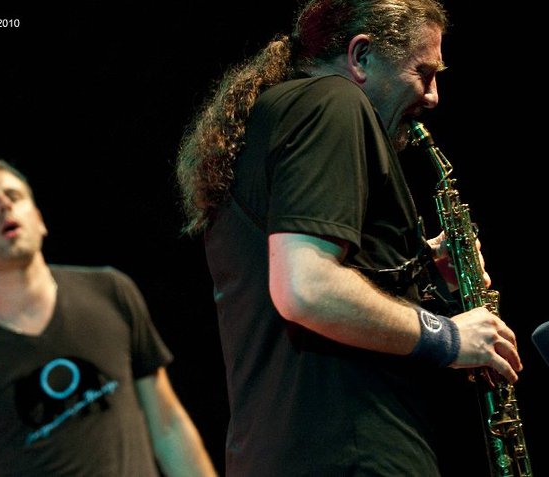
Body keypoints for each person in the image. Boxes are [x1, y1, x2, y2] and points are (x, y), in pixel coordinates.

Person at [175, 1, 524, 475]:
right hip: (351, 454)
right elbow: (307, 288)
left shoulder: (272, 117)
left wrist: (422, 272)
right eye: (423, 73)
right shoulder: (332, 101)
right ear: (361, 56)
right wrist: (448, 337)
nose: (433, 96)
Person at [0, 158, 218, 477]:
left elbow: (167, 425)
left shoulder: (110, 290)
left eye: (14, 196)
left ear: (39, 219)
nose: (3, 205)